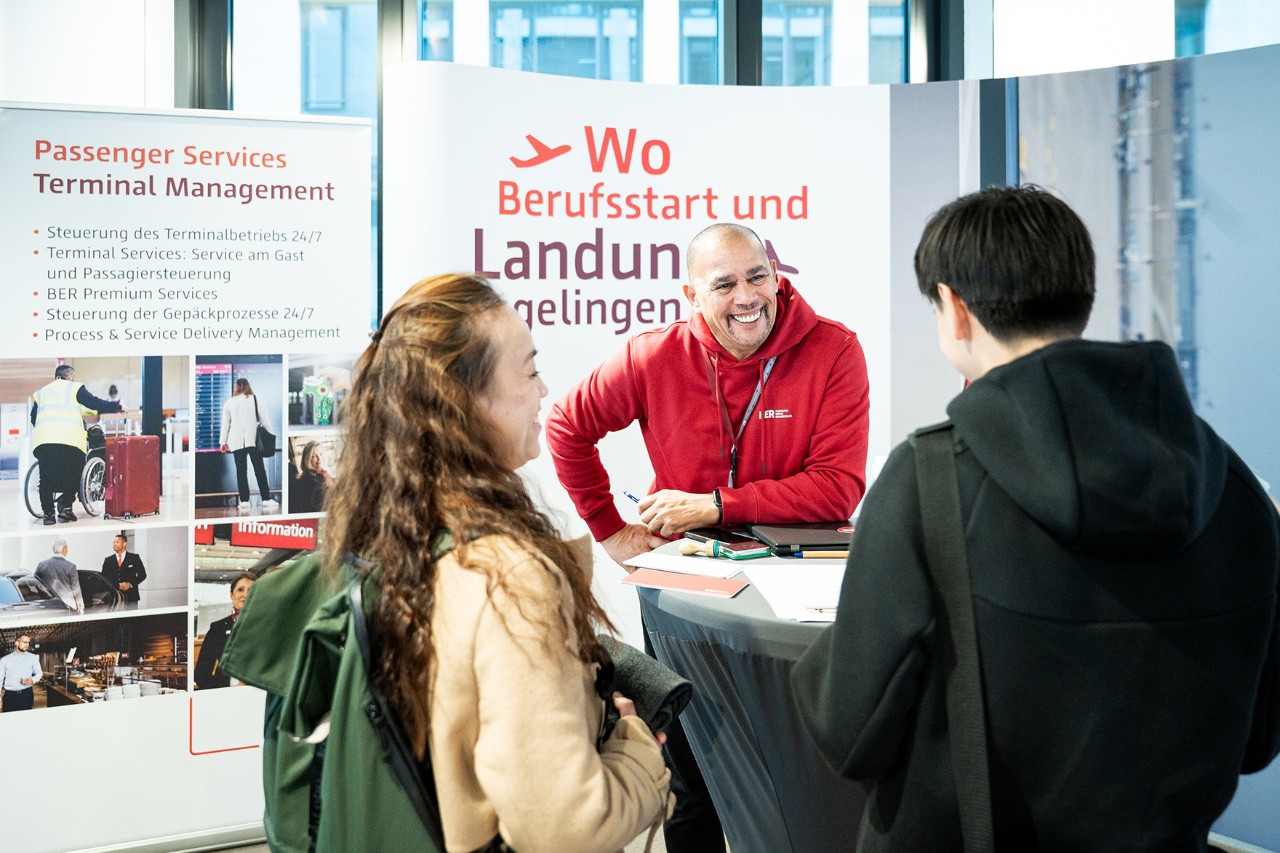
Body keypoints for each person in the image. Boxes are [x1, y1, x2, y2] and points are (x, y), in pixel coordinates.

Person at [791, 185, 1280, 850]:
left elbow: (849, 728)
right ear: (1081, 292)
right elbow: (1257, 737)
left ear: (954, 308)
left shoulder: (928, 479)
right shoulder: (1234, 486)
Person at [545, 222, 871, 850]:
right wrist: (609, 530)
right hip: (686, 594)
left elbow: (837, 488)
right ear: (692, 295)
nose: (748, 296)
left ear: (776, 275)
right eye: (724, 284)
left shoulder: (834, 350)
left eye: (758, 276)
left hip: (796, 602)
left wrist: (714, 506)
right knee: (690, 783)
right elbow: (566, 426)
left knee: (799, 777)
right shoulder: (653, 355)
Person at [319, 273, 670, 852]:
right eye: (529, 372)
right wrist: (637, 749)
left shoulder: (396, 531)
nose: (545, 391)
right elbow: (567, 830)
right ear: (464, 401)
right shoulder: (508, 577)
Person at [30, 363, 123, 525]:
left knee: (45, 478)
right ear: (70, 376)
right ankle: (66, 508)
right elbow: (95, 403)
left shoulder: (41, 393)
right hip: (69, 440)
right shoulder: (74, 388)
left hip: (44, 441)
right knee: (73, 472)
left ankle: (48, 515)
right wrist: (116, 407)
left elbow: (33, 418)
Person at [219, 377, 278, 511]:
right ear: (248, 386)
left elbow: (225, 425)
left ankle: (244, 501)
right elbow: (265, 420)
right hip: (254, 441)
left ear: (236, 387)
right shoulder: (256, 399)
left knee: (241, 471)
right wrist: (271, 435)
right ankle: (266, 499)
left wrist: (223, 442)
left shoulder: (229, 403)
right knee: (259, 470)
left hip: (236, 441)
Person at [194, 572, 255, 690]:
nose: (245, 595)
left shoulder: (266, 626)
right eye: (240, 590)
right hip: (226, 695)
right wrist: (221, 692)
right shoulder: (218, 628)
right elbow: (201, 674)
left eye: (251, 590)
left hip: (260, 695)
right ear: (231, 595)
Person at [34, 539, 83, 615]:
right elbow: (76, 589)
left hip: (47, 604)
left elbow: (35, 582)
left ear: (53, 549)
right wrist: (80, 607)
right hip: (67, 605)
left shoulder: (42, 564)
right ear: (64, 549)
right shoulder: (71, 566)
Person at [101, 533, 147, 610]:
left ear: (124, 544)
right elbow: (104, 578)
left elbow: (142, 575)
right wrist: (116, 585)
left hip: (131, 597)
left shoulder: (134, 558)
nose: (114, 544)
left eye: (117, 542)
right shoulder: (108, 560)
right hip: (114, 597)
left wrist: (130, 584)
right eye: (114, 542)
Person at [0, 635, 42, 712]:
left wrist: (32, 680)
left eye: (28, 642)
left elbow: (39, 673)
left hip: (26, 694)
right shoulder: (5, 660)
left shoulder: (32, 658)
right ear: (17, 643)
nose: (27, 645)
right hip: (10, 696)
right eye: (24, 642)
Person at [289, 440, 332, 513]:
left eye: (321, 454)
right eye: (314, 456)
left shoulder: (321, 475)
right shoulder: (309, 482)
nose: (319, 459)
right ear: (307, 459)